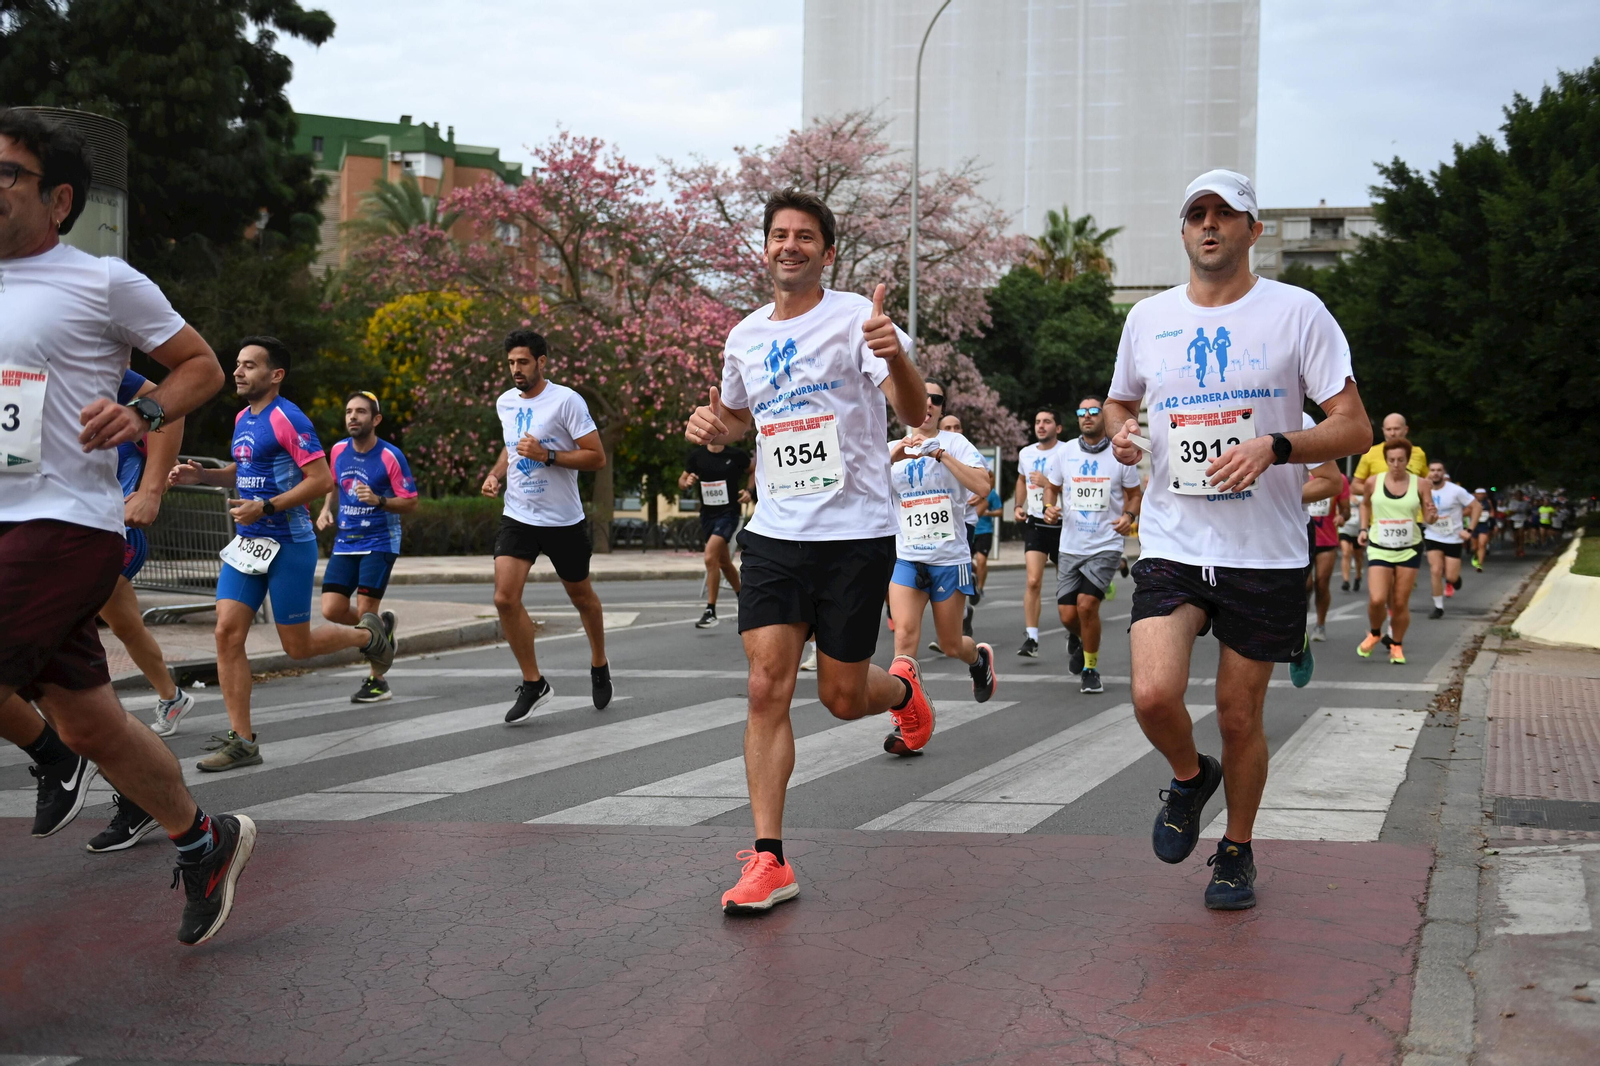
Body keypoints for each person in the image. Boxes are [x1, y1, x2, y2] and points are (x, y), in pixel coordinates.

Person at [0, 107, 257, 944]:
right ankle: (204, 840)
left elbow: (199, 367)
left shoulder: (101, 280)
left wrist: (141, 414)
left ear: (58, 199)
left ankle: (51, 758)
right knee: (90, 722)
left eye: (7, 173)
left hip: (65, 523)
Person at [1106, 168, 1371, 911]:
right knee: (1153, 693)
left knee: (1237, 714)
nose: (1210, 224)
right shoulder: (1148, 318)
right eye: (1197, 213)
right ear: (1184, 229)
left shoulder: (1298, 312)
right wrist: (1123, 433)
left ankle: (1236, 849)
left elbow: (1353, 427)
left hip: (1264, 551)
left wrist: (1276, 447)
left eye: (1226, 213)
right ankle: (1192, 778)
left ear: (1253, 230)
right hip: (1173, 539)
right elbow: (1121, 402)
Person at [684, 188, 934, 915]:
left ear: (826, 252)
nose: (789, 245)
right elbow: (740, 415)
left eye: (804, 236)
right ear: (764, 248)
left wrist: (896, 356)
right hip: (775, 534)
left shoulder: (859, 319)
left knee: (843, 698)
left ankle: (903, 691)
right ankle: (770, 858)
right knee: (766, 686)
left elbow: (914, 411)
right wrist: (717, 427)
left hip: (855, 533)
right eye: (778, 235)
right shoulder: (744, 336)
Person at [171, 338, 396, 771]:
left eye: (249, 366)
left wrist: (267, 507)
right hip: (248, 545)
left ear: (275, 375)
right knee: (226, 633)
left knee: (297, 647)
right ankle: (242, 742)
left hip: (289, 543)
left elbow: (321, 479)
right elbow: (245, 470)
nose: (238, 372)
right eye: (238, 364)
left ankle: (368, 636)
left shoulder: (288, 418)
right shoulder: (243, 417)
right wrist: (204, 475)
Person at [481, 329, 613, 721]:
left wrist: (548, 455)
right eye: (510, 363)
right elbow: (511, 448)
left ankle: (599, 662)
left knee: (582, 597)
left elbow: (596, 457)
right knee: (504, 598)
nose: (516, 369)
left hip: (563, 520)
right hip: (519, 515)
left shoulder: (566, 401)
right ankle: (534, 682)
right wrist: (495, 475)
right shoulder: (506, 402)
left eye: (523, 362)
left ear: (541, 361)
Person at [315, 391, 418, 703]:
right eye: (349, 411)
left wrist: (379, 500)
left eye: (360, 412)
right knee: (331, 609)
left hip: (379, 541)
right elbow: (333, 483)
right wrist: (325, 509)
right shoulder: (338, 450)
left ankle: (378, 681)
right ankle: (381, 630)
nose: (352, 417)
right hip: (346, 541)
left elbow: (411, 502)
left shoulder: (390, 456)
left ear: (376, 419)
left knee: (365, 611)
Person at [887, 433, 998, 710]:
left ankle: (978, 660)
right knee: (904, 636)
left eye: (933, 407)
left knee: (951, 645)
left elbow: (983, 487)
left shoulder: (956, 444)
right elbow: (862, 492)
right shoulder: (891, 448)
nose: (925, 410)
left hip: (949, 560)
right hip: (907, 558)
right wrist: (889, 460)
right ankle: (907, 714)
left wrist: (941, 455)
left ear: (940, 410)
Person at [1042, 397, 1143, 694]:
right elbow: (1051, 487)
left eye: (1094, 411)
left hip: (1106, 543)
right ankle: (1083, 638)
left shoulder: (1119, 453)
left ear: (1104, 416)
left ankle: (1090, 668)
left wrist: (1129, 516)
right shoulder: (1065, 453)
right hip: (1071, 544)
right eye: (1081, 412)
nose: (1087, 416)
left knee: (1086, 605)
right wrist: (1049, 507)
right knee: (1067, 615)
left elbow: (1134, 495)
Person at [1357, 439, 1436, 664]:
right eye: (1391, 460)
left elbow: (1429, 515)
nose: (1396, 464)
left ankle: (1397, 645)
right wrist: (1363, 528)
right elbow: (1365, 504)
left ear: (1408, 460)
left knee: (1400, 602)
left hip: (1409, 549)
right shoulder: (1373, 482)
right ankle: (1375, 633)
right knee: (1377, 599)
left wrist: (1432, 515)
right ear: (1386, 460)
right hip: (1379, 547)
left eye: (1401, 460)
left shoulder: (1421, 484)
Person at [681, 439, 754, 629]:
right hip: (707, 515)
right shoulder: (697, 456)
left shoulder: (735, 455)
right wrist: (686, 482)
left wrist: (749, 491)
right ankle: (744, 599)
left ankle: (710, 611)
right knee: (723, 562)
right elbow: (682, 480)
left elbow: (754, 470)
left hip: (729, 514)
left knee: (710, 557)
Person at [1013, 408, 1065, 657]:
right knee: (1033, 581)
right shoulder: (1026, 453)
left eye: (1047, 422)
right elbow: (1021, 479)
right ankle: (1031, 638)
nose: (1041, 426)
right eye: (1037, 422)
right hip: (1036, 522)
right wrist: (1018, 505)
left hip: (1064, 524)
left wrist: (1049, 484)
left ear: (1058, 428)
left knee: (1066, 585)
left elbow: (1078, 484)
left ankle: (1075, 633)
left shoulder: (1067, 452)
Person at [1423, 461, 1478, 620]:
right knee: (1435, 570)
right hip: (1432, 535)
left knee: (1451, 577)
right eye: (1432, 470)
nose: (1435, 473)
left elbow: (1477, 507)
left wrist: (1469, 530)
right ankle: (1438, 607)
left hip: (1453, 537)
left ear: (1443, 473)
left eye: (1439, 470)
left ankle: (1454, 579)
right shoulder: (1423, 490)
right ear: (1428, 472)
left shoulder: (1455, 490)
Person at [1353, 412, 1428, 481]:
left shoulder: (1419, 453)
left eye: (1396, 429)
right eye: (1388, 429)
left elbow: (1427, 482)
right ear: (1383, 430)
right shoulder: (1370, 452)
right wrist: (1378, 488)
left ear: (1406, 429)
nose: (1392, 433)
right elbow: (1356, 485)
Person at [1339, 477, 1365, 592]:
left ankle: (1358, 576)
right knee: (1346, 553)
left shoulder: (1361, 497)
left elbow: (1366, 508)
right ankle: (1346, 580)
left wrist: (1357, 503)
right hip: (1345, 529)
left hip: (1358, 530)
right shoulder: (1343, 497)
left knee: (1358, 556)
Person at [1470, 487, 1493, 570]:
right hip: (1474, 525)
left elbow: (1492, 511)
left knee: (1482, 544)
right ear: (1475, 495)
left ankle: (1480, 564)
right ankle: (1476, 556)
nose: (1481, 495)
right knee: (1475, 547)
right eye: (1479, 494)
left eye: (1482, 494)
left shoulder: (1488, 502)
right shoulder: (1472, 502)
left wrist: (1491, 516)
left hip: (1484, 525)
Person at [1508, 491, 1530, 557]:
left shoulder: (1526, 503)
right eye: (1517, 495)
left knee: (1521, 535)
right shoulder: (1512, 503)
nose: (1518, 496)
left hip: (1522, 519)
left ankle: (1521, 548)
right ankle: (1517, 548)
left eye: (1520, 495)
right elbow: (1510, 511)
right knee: (1516, 536)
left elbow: (1528, 511)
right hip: (1514, 519)